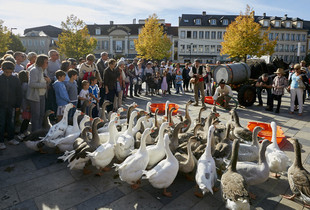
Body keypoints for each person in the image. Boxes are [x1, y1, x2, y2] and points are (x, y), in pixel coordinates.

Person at [0, 61, 22, 149]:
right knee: (1, 123)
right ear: (2, 70)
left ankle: (11, 138)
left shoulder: (15, 80)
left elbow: (19, 93)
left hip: (11, 105)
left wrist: (18, 105)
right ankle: (1, 141)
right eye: (6, 72)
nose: (8, 74)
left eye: (10, 72)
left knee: (11, 122)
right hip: (1, 105)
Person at [27, 54, 50, 131]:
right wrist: (44, 84)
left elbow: (45, 82)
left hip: (43, 95)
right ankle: (35, 132)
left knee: (41, 114)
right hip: (35, 96)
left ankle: (39, 130)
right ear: (41, 62)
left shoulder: (44, 70)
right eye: (46, 62)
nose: (47, 64)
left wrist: (48, 81)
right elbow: (31, 84)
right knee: (36, 115)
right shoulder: (34, 70)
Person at [17, 70, 31, 139]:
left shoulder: (21, 84)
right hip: (26, 104)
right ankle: (21, 133)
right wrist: (28, 104)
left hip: (23, 103)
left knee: (26, 118)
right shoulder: (26, 85)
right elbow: (27, 96)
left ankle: (24, 131)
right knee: (26, 119)